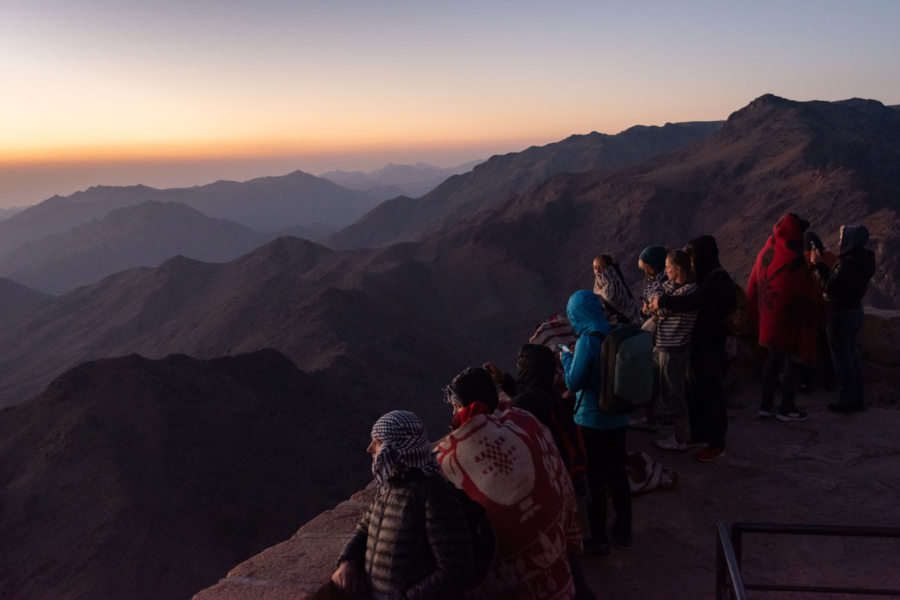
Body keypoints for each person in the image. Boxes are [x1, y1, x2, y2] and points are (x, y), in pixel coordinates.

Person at [436, 367, 581, 600]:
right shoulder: (524, 421)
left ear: (467, 407)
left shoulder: (452, 457)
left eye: (456, 405)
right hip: (553, 535)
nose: (453, 412)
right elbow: (558, 474)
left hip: (511, 567)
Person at [332, 410, 474, 600]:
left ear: (395, 448)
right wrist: (347, 561)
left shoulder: (433, 493)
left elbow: (456, 568)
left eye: (377, 442)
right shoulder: (389, 487)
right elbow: (364, 531)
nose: (369, 449)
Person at [650, 235, 736, 463]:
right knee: (695, 392)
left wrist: (664, 303)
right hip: (697, 344)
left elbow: (693, 302)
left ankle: (717, 443)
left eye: (694, 257)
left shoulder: (717, 279)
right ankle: (699, 434)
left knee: (712, 393)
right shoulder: (707, 276)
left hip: (709, 343)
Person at [559, 290, 632, 555]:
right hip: (619, 417)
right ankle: (624, 531)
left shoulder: (588, 341)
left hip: (591, 421)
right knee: (618, 475)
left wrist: (566, 358)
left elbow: (573, 382)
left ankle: (599, 538)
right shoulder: (616, 331)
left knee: (594, 479)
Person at [747, 213, 821, 422]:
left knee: (772, 360)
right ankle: (786, 408)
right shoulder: (794, 257)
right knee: (793, 362)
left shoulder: (765, 253)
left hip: (769, 319)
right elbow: (807, 290)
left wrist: (754, 315)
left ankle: (765, 406)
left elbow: (753, 286)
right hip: (791, 319)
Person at [812, 224, 876, 413]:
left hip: (839, 314)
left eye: (843, 238)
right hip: (855, 311)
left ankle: (846, 401)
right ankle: (858, 399)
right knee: (853, 356)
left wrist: (818, 264)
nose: (840, 241)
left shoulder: (847, 263)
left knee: (841, 358)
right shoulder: (865, 259)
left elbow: (829, 286)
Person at [651, 249, 700, 449]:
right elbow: (657, 293)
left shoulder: (690, 291)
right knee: (666, 392)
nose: (665, 270)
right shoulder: (673, 288)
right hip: (664, 345)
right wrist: (657, 302)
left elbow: (661, 307)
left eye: (668, 266)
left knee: (675, 394)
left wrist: (657, 304)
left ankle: (680, 439)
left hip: (675, 348)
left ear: (677, 268)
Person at [593, 254, 640, 325]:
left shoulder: (615, 284)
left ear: (608, 267)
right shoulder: (598, 287)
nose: (597, 270)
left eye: (599, 267)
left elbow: (611, 298)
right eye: (594, 267)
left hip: (626, 323)